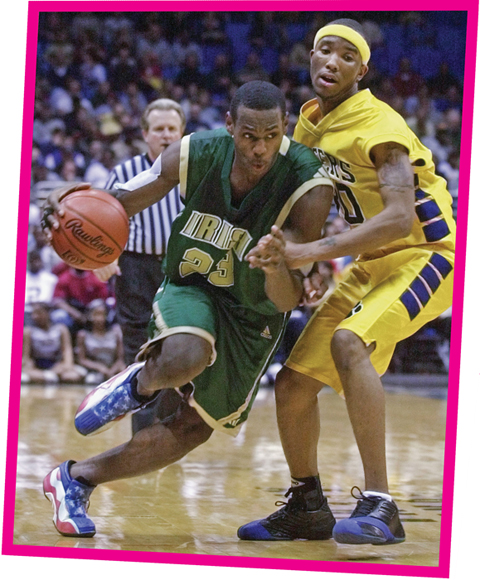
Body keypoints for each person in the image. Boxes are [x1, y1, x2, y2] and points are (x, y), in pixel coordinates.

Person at [41, 81, 335, 539]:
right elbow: (120, 202)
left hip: (254, 313)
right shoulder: (194, 152)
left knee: (195, 428)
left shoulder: (308, 183)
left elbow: (286, 299)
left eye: (272, 136)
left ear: (285, 129)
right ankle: (137, 385)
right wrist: (68, 211)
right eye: (249, 135)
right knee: (185, 355)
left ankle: (74, 479)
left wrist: (278, 262)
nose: (260, 149)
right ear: (229, 126)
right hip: (192, 283)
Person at [238, 19, 455, 545]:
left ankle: (382, 503)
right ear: (309, 59)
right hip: (369, 261)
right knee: (291, 385)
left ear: (362, 69)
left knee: (348, 341)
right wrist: (307, 265)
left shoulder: (379, 124)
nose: (329, 61)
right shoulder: (309, 123)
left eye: (344, 55)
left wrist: (309, 252)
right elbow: (316, 203)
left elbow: (400, 217)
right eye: (321, 51)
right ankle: (307, 504)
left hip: (428, 252)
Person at [94, 98, 185, 434]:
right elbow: (96, 223)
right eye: (158, 129)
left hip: (182, 270)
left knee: (178, 349)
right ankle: (143, 435)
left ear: (182, 133)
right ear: (145, 134)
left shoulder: (195, 169)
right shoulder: (123, 172)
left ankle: (168, 434)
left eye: (171, 129)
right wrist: (101, 259)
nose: (165, 135)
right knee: (140, 351)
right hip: (135, 269)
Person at [22, 302, 86, 384]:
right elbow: (25, 357)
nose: (35, 316)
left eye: (39, 313)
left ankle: (52, 377)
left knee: (72, 377)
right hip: (37, 366)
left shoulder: (61, 329)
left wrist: (66, 366)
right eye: (33, 313)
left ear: (48, 313)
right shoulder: (28, 331)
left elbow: (67, 351)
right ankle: (47, 377)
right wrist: (29, 367)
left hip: (56, 364)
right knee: (30, 377)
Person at [75, 299, 126, 384]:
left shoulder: (116, 333)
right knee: (90, 380)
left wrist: (112, 370)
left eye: (103, 314)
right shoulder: (83, 335)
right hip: (93, 371)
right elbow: (82, 360)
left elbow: (120, 358)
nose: (100, 318)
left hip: (113, 368)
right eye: (96, 314)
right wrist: (100, 368)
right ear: (89, 316)